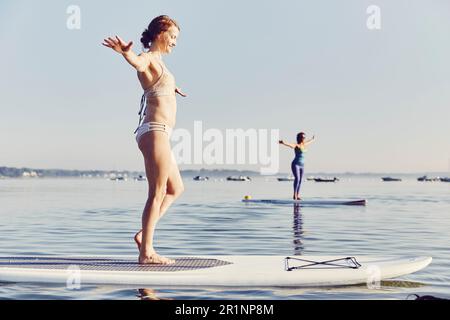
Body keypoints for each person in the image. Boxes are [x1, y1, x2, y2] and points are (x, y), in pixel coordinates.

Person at [102, 15, 187, 264]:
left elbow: (156, 84)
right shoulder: (148, 57)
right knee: (157, 191)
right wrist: (125, 53)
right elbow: (138, 64)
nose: (174, 42)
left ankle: (144, 235)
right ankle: (146, 252)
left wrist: (172, 89)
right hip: (154, 131)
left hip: (159, 132)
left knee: (175, 188)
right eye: (172, 36)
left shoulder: (160, 63)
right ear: (160, 34)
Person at [279, 132, 315, 200]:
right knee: (297, 179)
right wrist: (283, 143)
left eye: (304, 137)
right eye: (302, 137)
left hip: (302, 166)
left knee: (300, 180)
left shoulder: (304, 144)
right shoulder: (296, 145)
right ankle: (294, 195)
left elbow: (309, 142)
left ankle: (297, 195)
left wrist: (312, 139)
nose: (304, 139)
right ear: (299, 138)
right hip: (296, 164)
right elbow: (290, 145)